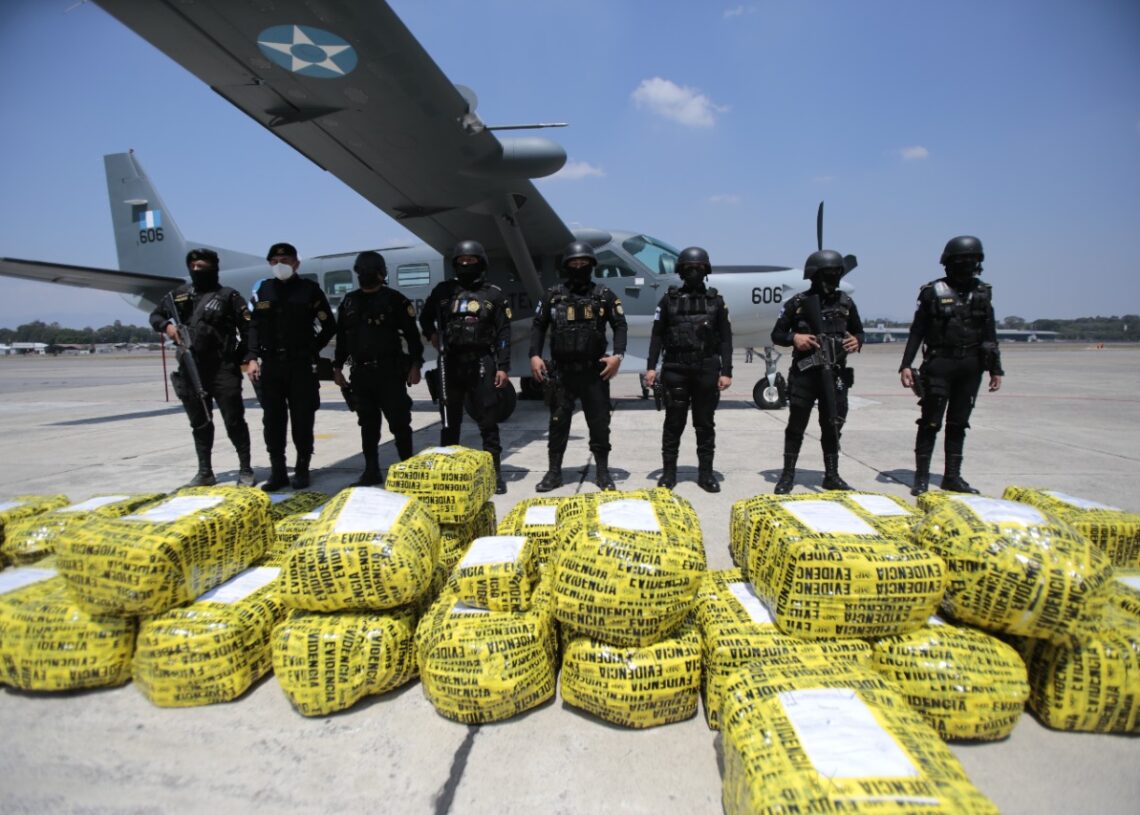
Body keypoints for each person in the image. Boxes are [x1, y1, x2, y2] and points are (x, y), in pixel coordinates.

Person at [899, 235, 1003, 495]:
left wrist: (996, 368)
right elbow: (917, 331)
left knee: (959, 423)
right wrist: (906, 364)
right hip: (939, 364)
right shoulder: (932, 292)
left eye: (971, 260)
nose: (966, 265)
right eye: (961, 260)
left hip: (971, 365)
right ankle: (922, 477)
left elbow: (989, 332)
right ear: (949, 262)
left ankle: (952, 476)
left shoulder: (983, 292)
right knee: (930, 422)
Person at [149, 248, 256, 487]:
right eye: (194, 267)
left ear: (214, 268)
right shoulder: (178, 296)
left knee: (234, 420)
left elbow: (249, 329)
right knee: (200, 422)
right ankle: (205, 471)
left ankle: (245, 469)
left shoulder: (228, 296)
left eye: (203, 267)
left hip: (222, 368)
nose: (197, 270)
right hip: (191, 368)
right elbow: (155, 316)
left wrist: (245, 357)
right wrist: (167, 326)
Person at [529, 241, 628, 492]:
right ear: (566, 266)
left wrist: (617, 356)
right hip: (562, 373)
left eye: (584, 263)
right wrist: (534, 355)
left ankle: (602, 472)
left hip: (593, 373)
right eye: (574, 263)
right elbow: (538, 325)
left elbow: (620, 325)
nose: (579, 267)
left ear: (592, 266)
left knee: (599, 425)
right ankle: (554, 473)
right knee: (558, 423)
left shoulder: (604, 295)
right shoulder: (552, 295)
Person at [419, 240, 512, 494]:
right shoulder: (443, 291)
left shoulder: (494, 294)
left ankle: (495, 473)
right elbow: (425, 317)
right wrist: (432, 334)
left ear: (481, 263)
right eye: (461, 261)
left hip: (482, 361)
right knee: (450, 421)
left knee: (488, 420)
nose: (466, 265)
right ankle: (449, 472)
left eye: (471, 261)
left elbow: (504, 332)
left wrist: (503, 367)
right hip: (450, 362)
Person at [770, 249, 863, 493]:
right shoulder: (798, 303)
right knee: (796, 426)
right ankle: (787, 475)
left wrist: (857, 341)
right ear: (815, 275)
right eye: (828, 273)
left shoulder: (846, 303)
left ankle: (831, 475)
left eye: (836, 272)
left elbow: (859, 331)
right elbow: (777, 334)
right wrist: (794, 338)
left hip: (835, 374)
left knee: (832, 424)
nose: (833, 278)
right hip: (806, 374)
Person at [247, 242, 335, 491]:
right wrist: (252, 358)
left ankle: (302, 469)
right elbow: (252, 326)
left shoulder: (309, 290)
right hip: (271, 366)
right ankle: (278, 472)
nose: (279, 265)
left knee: (302, 419)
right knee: (272, 421)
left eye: (284, 260)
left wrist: (312, 349)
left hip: (300, 366)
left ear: (296, 263)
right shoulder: (262, 290)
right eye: (274, 261)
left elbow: (329, 325)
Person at [644, 246, 733, 492]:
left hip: (706, 368)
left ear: (706, 271)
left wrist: (727, 371)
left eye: (698, 268)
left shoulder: (716, 302)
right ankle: (669, 473)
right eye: (689, 268)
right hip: (675, 368)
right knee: (673, 423)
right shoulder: (668, 300)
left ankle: (706, 474)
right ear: (681, 271)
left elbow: (726, 339)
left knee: (704, 424)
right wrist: (651, 368)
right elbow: (657, 336)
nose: (694, 271)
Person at [332, 251, 424, 487]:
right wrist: (337, 367)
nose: (366, 275)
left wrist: (416, 365)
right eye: (362, 272)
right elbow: (342, 339)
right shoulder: (349, 302)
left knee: (400, 423)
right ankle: (371, 471)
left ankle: (407, 469)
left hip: (390, 373)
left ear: (382, 274)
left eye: (370, 272)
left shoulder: (395, 300)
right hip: (361, 374)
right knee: (368, 425)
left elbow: (413, 337)